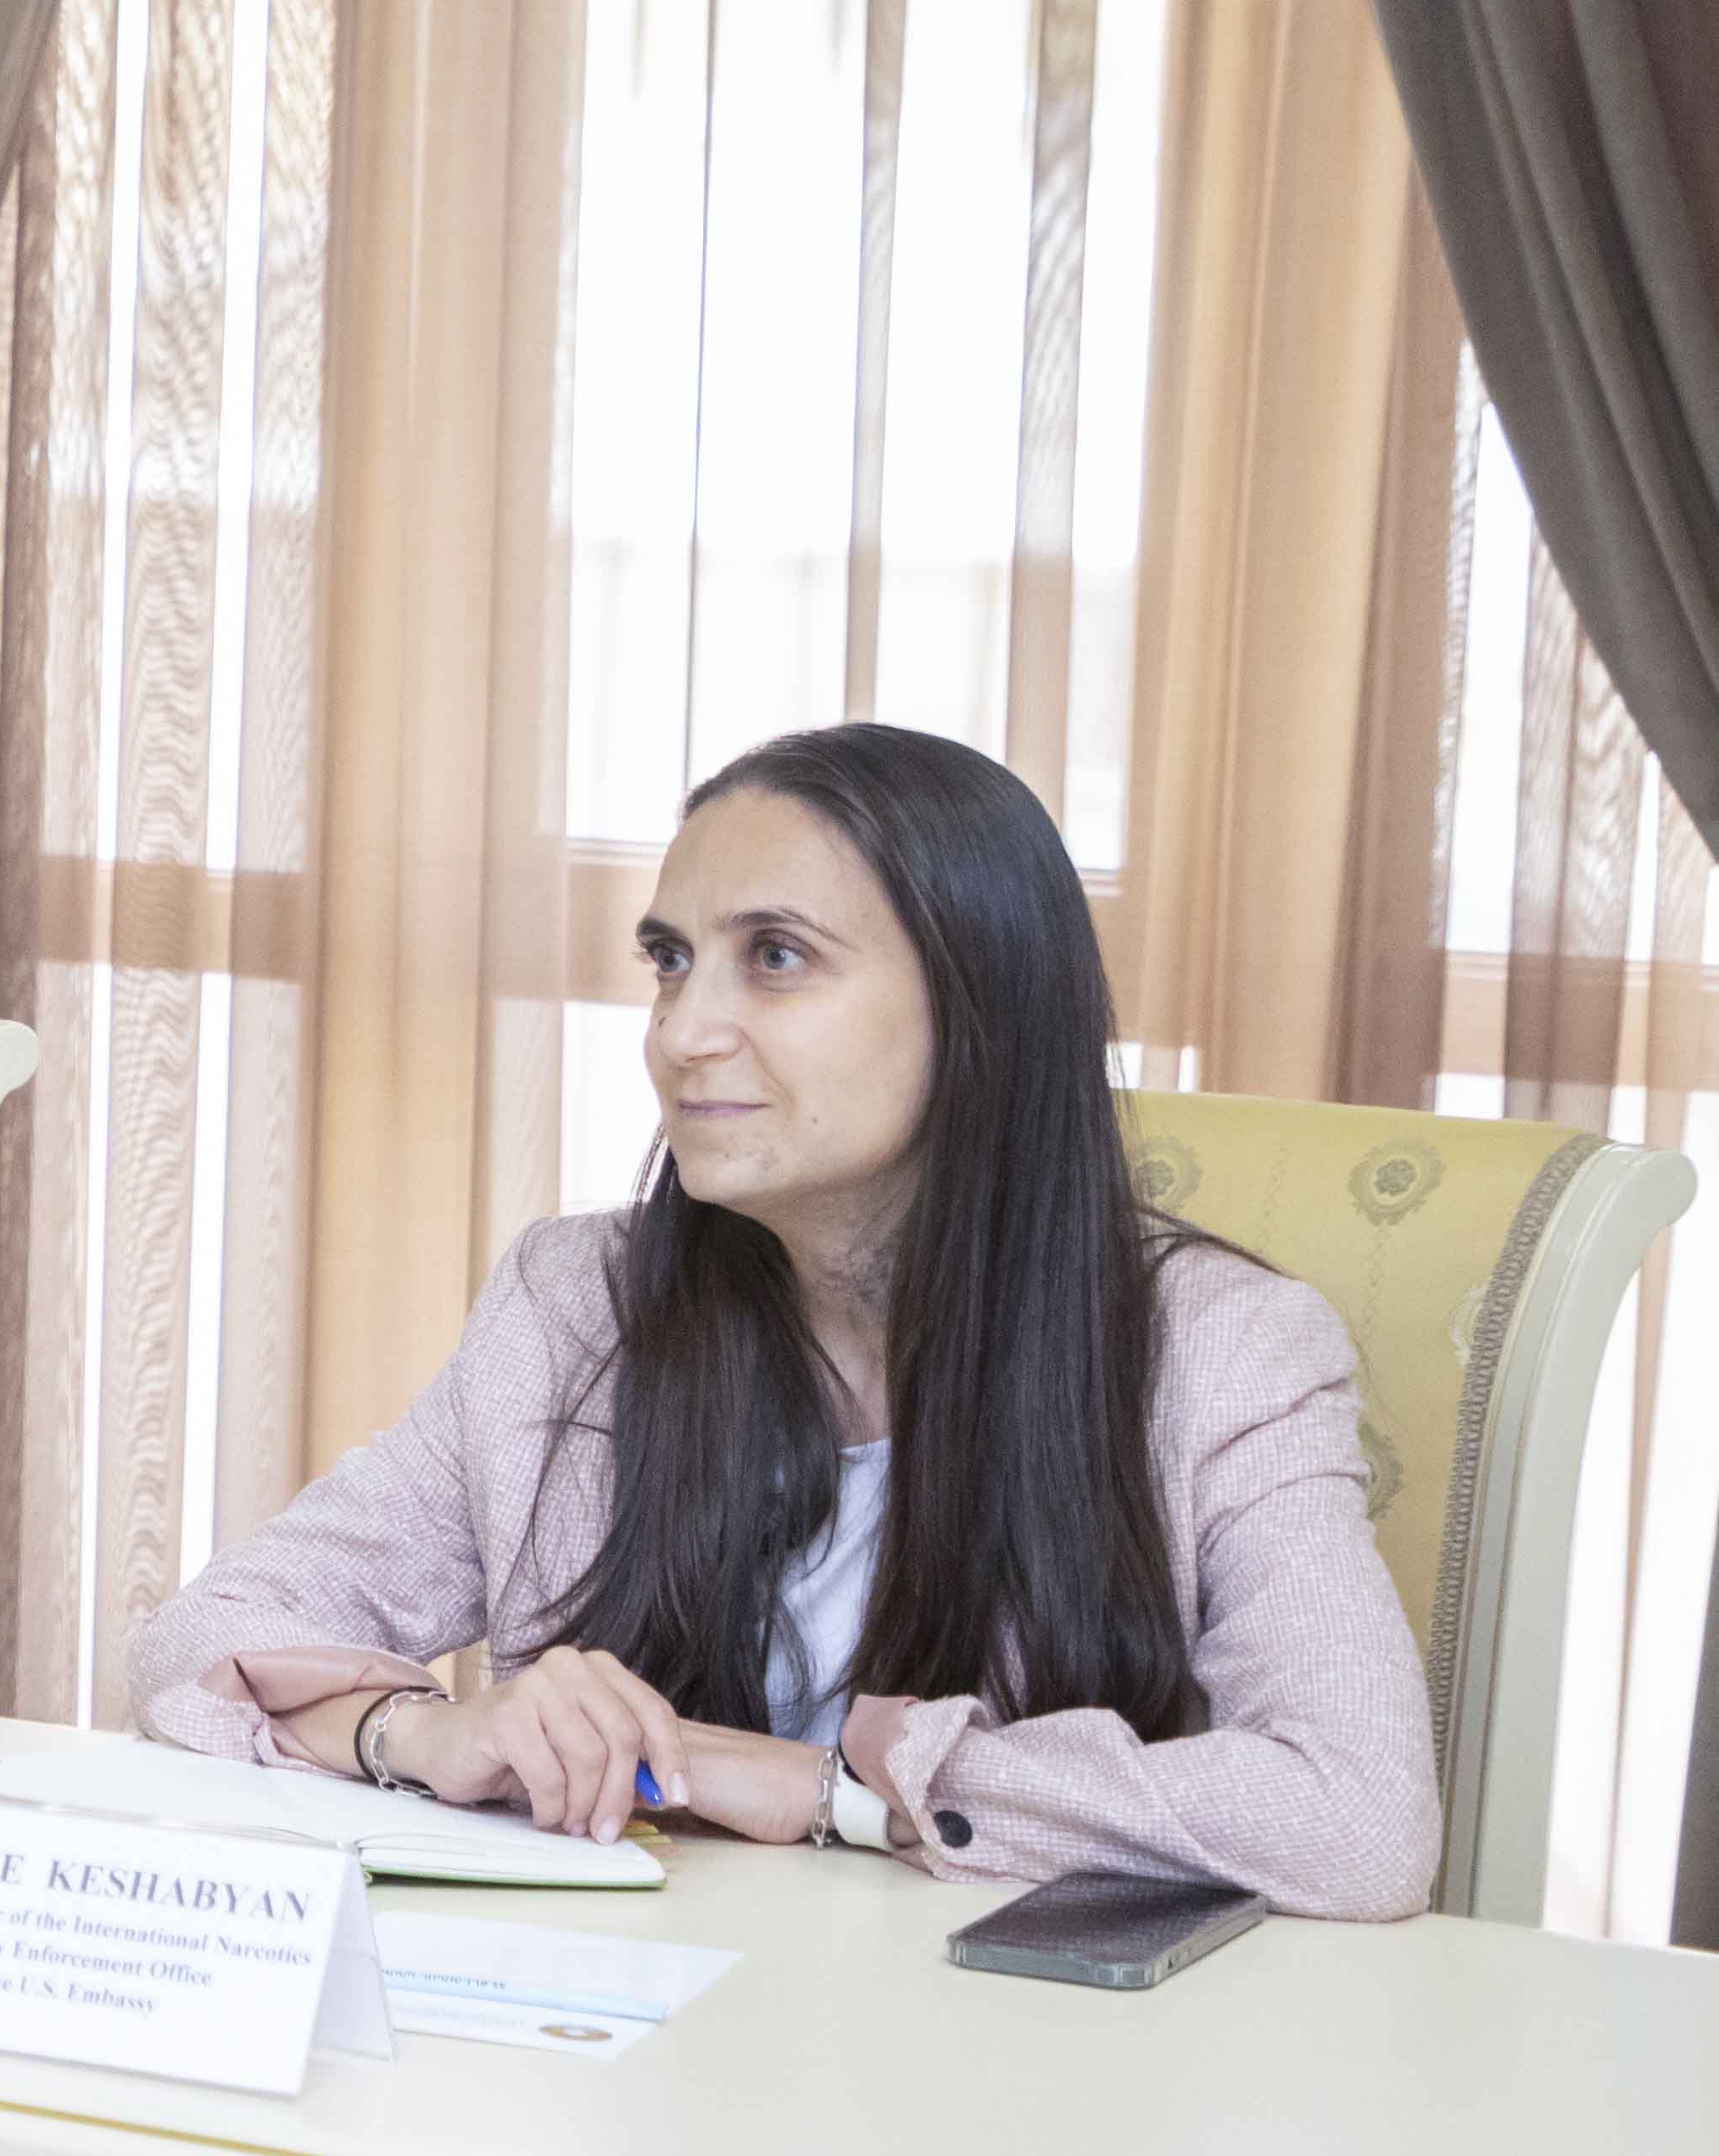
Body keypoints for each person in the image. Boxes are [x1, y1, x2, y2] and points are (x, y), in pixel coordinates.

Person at [126, 723, 1436, 1919]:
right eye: (669, 960)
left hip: (1026, 2060)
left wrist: (836, 1789)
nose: (681, 1031)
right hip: (620, 2026)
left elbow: (1355, 1819)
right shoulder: (574, 1305)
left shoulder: (1223, 1352)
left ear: (979, 1004)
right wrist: (415, 1732)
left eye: (775, 957)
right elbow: (202, 1635)